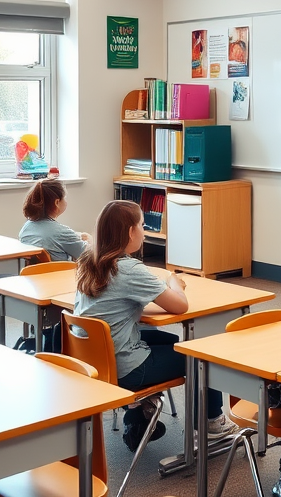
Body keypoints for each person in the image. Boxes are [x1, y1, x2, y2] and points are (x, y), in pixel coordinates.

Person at [74, 200, 234, 450]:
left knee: (174, 343)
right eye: (141, 225)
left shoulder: (89, 261)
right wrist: (173, 281)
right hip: (125, 367)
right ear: (130, 232)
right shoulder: (128, 269)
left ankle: (139, 410)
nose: (144, 230)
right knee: (201, 356)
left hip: (95, 361)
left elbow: (117, 308)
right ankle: (211, 423)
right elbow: (180, 306)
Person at [18, 180, 90, 262]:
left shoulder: (26, 228)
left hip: (32, 274)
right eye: (64, 198)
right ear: (57, 202)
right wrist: (89, 240)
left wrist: (76, 236)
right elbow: (88, 255)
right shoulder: (61, 232)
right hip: (62, 273)